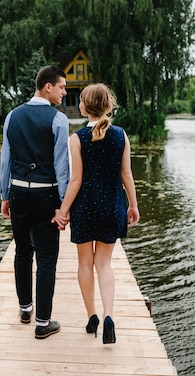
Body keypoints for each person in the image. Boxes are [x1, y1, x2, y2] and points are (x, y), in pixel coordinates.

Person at [52, 83, 139, 344]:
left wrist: (62, 211)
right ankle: (109, 316)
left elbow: (75, 181)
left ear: (84, 107)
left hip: (86, 207)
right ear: (108, 105)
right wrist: (133, 206)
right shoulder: (121, 135)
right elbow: (126, 174)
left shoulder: (77, 139)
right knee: (104, 264)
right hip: (112, 206)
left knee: (84, 263)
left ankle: (92, 316)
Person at [0, 65, 70, 339]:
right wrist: (63, 207)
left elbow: (5, 161)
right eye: (62, 87)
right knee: (47, 258)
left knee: (22, 252)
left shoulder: (12, 116)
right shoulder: (58, 120)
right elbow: (61, 167)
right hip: (45, 194)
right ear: (48, 86)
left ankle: (25, 309)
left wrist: (4, 195)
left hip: (18, 193)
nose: (65, 92)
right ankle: (43, 322)